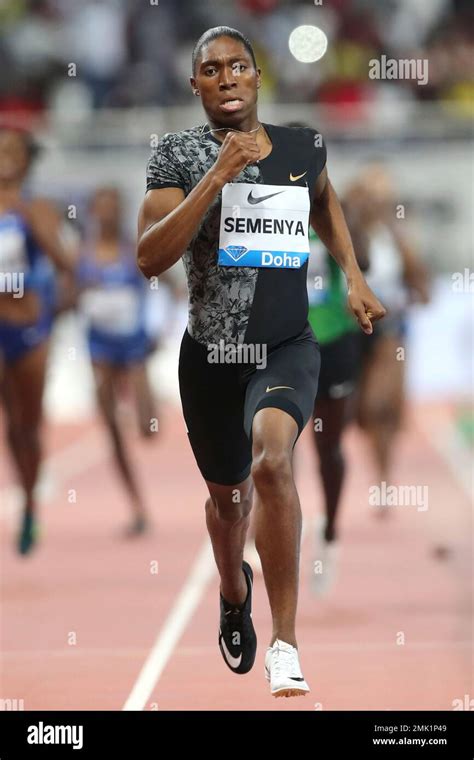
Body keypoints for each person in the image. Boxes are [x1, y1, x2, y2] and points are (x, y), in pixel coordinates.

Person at [137, 26, 385, 697]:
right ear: (195, 85)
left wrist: (353, 274)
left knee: (273, 461)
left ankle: (286, 642)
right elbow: (148, 257)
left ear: (256, 75)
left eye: (238, 65)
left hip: (285, 345)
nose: (226, 77)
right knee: (228, 503)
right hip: (211, 357)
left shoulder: (303, 143)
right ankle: (231, 587)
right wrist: (218, 174)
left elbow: (324, 199)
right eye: (211, 69)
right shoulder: (178, 158)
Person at [0, 126, 73, 555]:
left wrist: (54, 311)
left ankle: (28, 503)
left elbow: (66, 264)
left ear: (27, 161)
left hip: (29, 330)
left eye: (12, 150)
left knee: (25, 427)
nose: (5, 157)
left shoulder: (35, 208)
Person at [76, 187, 156, 536]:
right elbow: (67, 292)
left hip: (134, 345)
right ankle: (137, 506)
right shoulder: (81, 254)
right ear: (93, 212)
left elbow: (165, 285)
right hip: (100, 348)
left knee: (148, 427)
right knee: (111, 428)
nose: (106, 214)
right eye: (101, 208)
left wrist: (161, 328)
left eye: (112, 208)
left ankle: (143, 412)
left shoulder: (134, 249)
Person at [351, 165, 429, 515]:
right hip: (352, 329)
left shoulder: (396, 237)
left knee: (381, 407)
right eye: (371, 196)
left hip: (390, 329)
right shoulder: (349, 235)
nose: (377, 204)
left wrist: (414, 294)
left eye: (383, 198)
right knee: (362, 412)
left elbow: (423, 286)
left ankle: (383, 481)